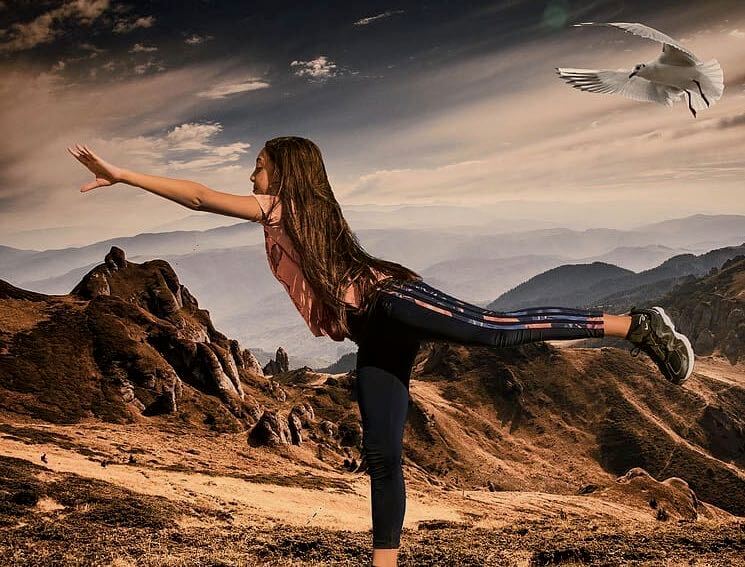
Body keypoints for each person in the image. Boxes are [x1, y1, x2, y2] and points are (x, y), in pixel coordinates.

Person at [67, 137, 695, 567]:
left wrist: (124, 175)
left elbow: (200, 196)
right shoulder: (291, 214)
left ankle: (637, 325)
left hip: (392, 302)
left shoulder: (281, 204)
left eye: (257, 165)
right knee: (382, 455)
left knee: (493, 328)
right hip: (372, 333)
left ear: (283, 172)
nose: (250, 175)